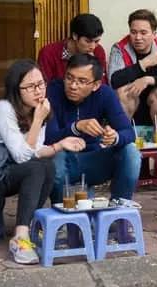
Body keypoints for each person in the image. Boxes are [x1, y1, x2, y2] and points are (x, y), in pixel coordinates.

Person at [0, 60, 85, 265]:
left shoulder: (39, 108)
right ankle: (20, 237)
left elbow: (35, 151)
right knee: (35, 169)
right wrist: (38, 120)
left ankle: (29, 225)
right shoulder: (4, 109)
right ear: (16, 89)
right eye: (30, 87)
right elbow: (23, 156)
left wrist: (60, 145)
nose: (38, 91)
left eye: (41, 84)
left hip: (2, 171)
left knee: (47, 165)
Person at [44, 53, 140, 204]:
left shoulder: (105, 94)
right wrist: (76, 127)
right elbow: (49, 138)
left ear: (95, 85)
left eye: (82, 81)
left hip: (94, 160)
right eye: (69, 78)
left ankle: (119, 208)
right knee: (56, 159)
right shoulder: (53, 91)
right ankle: (61, 211)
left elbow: (129, 132)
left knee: (131, 152)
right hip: (64, 160)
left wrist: (114, 137)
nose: (73, 86)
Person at [108, 9, 157, 130]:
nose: (138, 37)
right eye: (133, 32)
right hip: (130, 106)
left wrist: (148, 80)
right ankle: (125, 134)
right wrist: (142, 65)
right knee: (124, 92)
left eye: (143, 33)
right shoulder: (119, 48)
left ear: (154, 34)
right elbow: (114, 80)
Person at [37, 13, 107, 83]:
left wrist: (94, 66)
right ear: (75, 36)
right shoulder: (48, 53)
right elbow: (44, 85)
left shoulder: (98, 51)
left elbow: (102, 84)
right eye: (88, 41)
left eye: (96, 41)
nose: (93, 47)